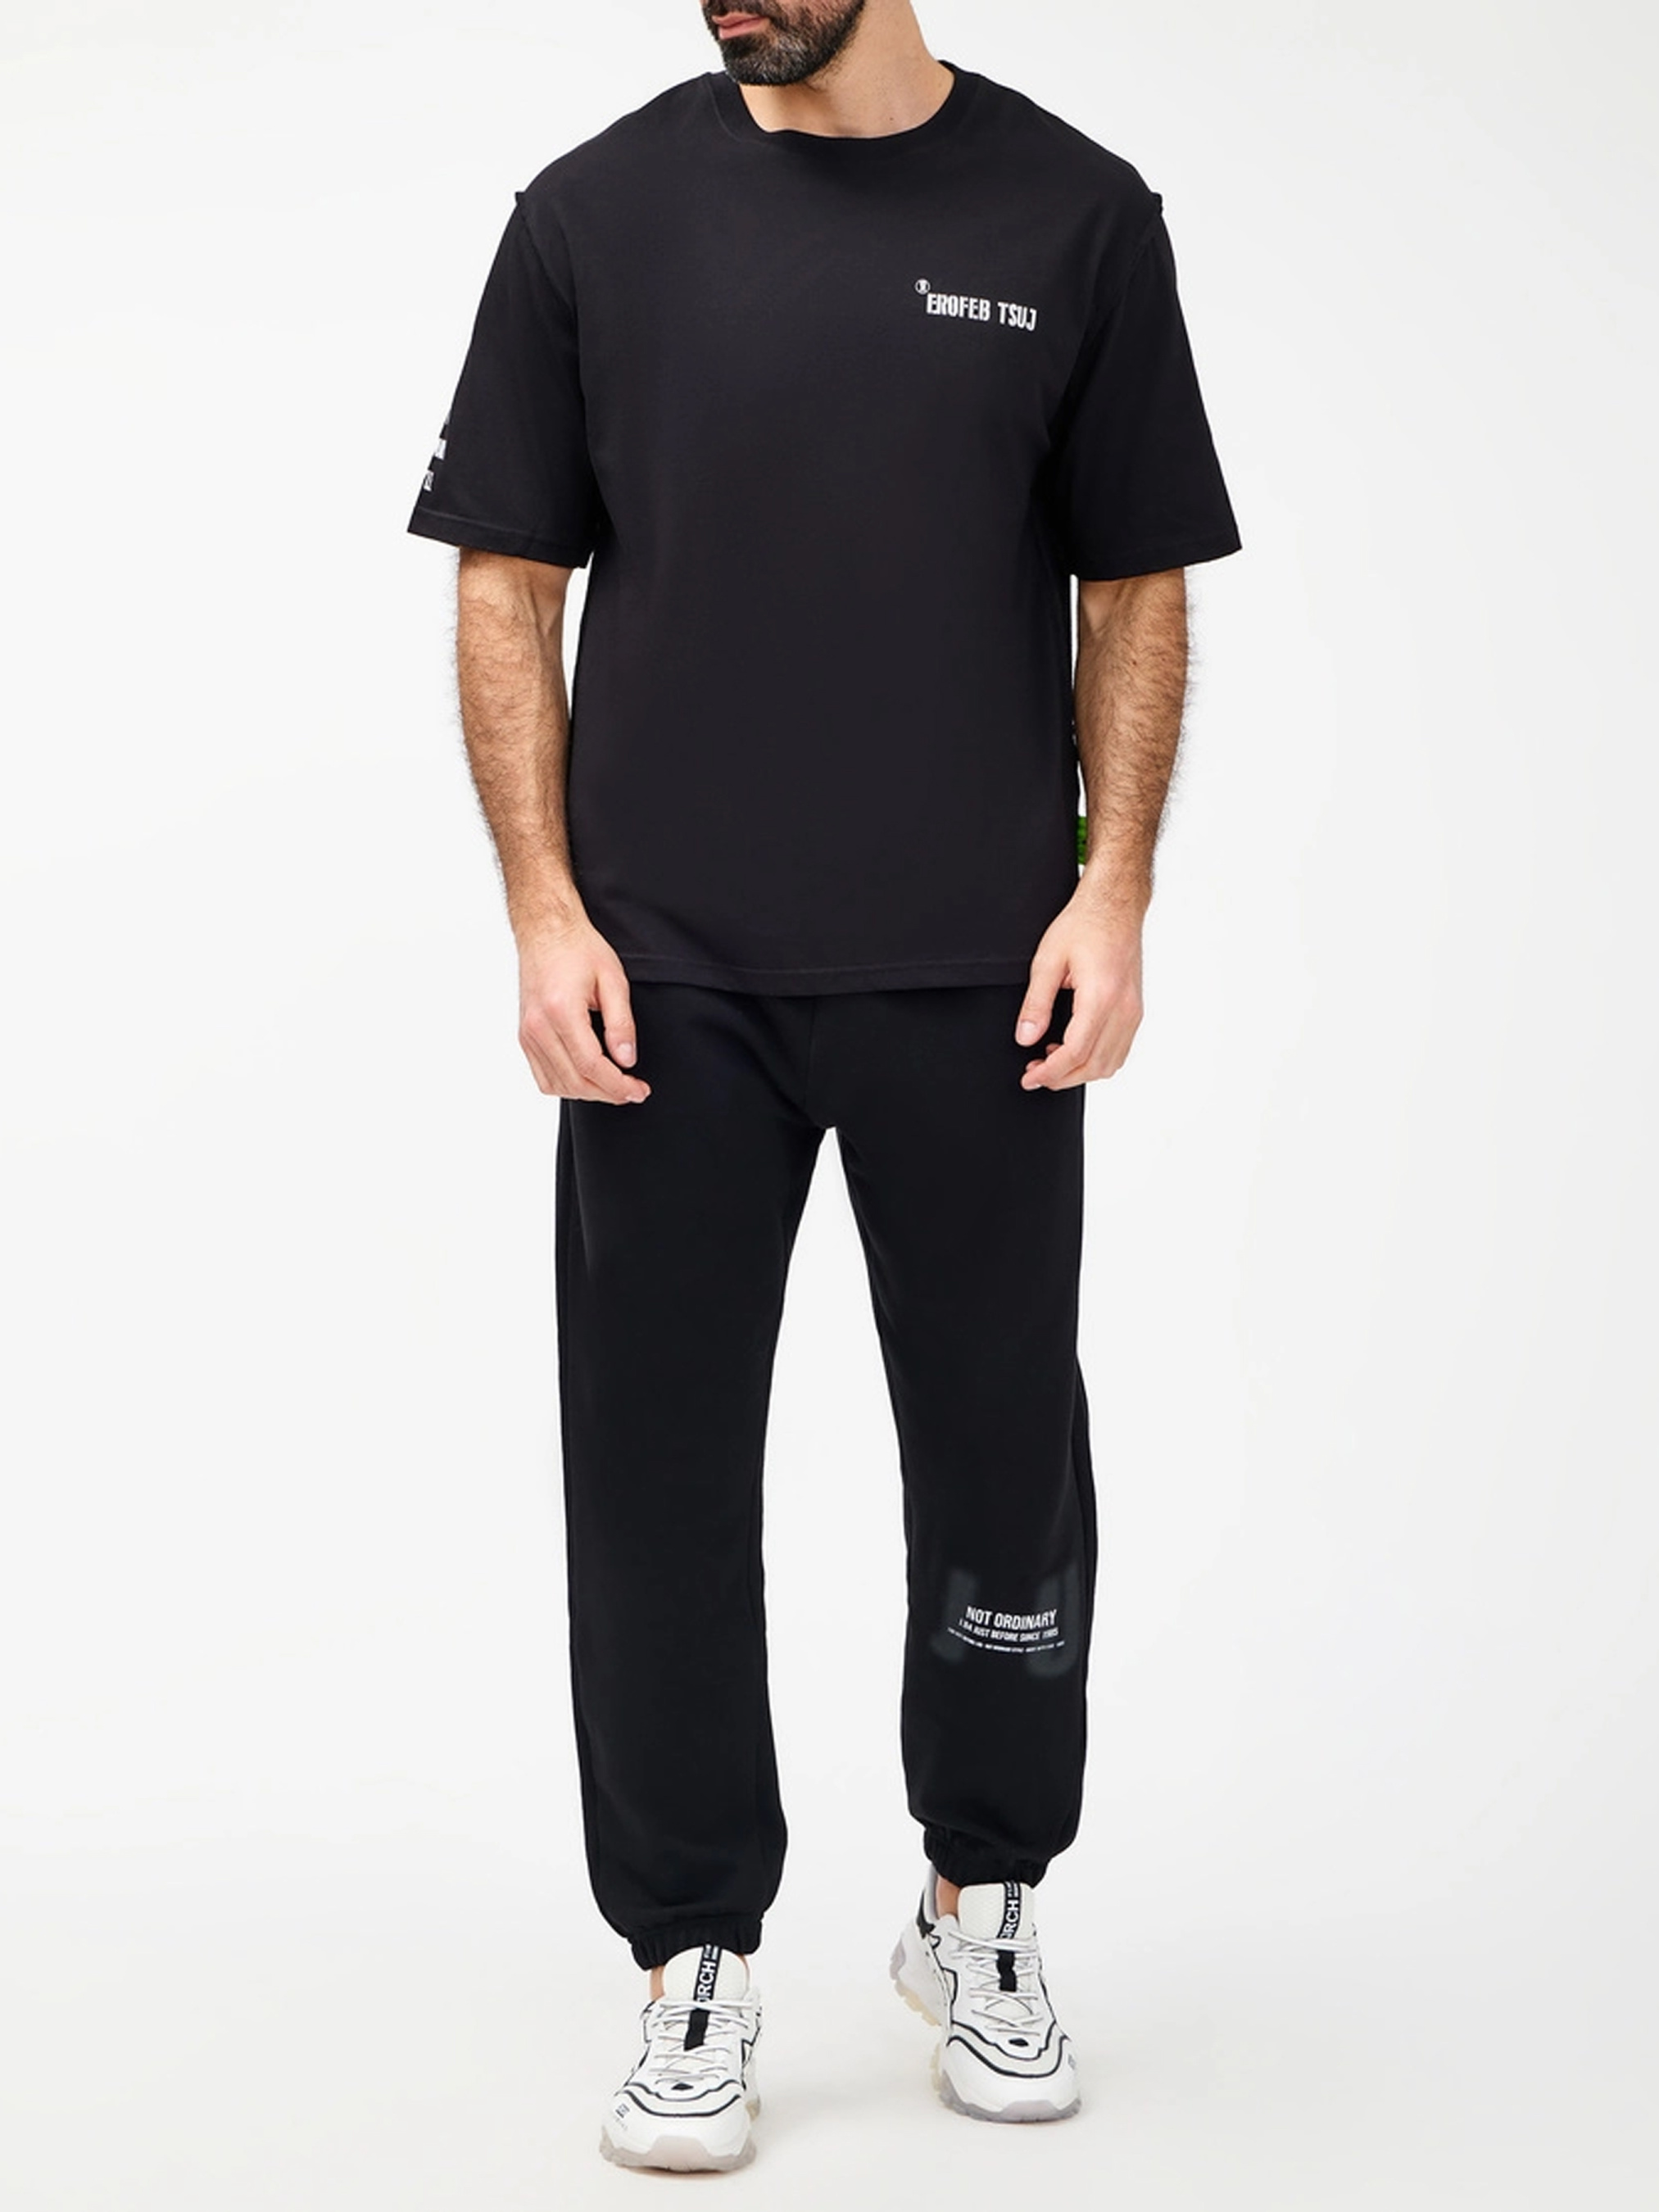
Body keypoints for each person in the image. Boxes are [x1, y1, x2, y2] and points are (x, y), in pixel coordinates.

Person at [406, 0, 1241, 2173]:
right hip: (662, 980)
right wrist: (544, 912)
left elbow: (1133, 579)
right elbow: (508, 579)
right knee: (656, 1479)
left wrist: (1115, 890)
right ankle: (689, 1947)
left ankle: (982, 1904)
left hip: (981, 969)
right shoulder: (592, 219)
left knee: (1000, 1460)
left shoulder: (1073, 216)